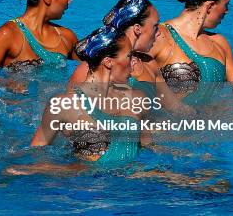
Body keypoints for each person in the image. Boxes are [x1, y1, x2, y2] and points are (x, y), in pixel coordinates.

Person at [30, 26, 150, 165]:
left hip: (132, 182)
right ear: (108, 62)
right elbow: (36, 155)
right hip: (86, 183)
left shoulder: (138, 100)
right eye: (129, 56)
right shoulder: (64, 105)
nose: (134, 62)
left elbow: (148, 149)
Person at [149, 0, 233, 103]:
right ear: (210, 6)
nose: (226, 11)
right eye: (225, 5)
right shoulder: (158, 36)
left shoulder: (220, 43)